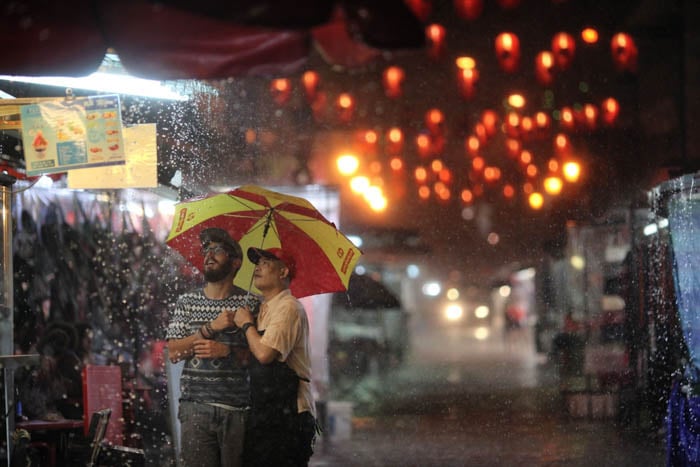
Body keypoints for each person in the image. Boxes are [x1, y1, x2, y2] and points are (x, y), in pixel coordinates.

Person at [166, 227, 260, 467]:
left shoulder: (251, 304)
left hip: (238, 411)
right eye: (206, 250)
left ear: (236, 262)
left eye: (217, 250)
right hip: (195, 409)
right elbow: (174, 351)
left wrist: (228, 352)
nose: (208, 255)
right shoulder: (187, 302)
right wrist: (210, 327)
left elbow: (261, 358)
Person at [232, 247, 318, 467]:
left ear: (283, 272)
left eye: (266, 262)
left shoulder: (288, 308)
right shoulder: (263, 308)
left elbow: (264, 354)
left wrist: (246, 324)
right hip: (267, 411)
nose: (257, 267)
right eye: (257, 262)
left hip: (289, 416)